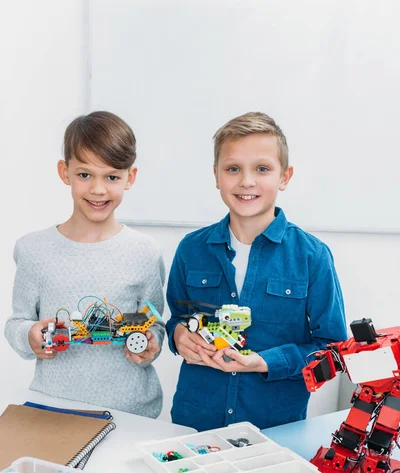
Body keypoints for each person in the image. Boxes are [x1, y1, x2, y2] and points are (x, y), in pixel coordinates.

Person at [166, 111, 347, 431]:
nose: (246, 181)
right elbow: (178, 319)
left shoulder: (312, 257)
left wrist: (266, 362)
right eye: (233, 169)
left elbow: (333, 352)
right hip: (194, 424)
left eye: (262, 169)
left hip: (275, 428)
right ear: (217, 175)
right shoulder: (190, 249)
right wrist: (179, 335)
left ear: (284, 176)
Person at [5, 111, 165, 416]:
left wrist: (149, 343)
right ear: (64, 172)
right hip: (53, 409)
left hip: (132, 412)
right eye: (84, 175)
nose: (98, 189)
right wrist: (30, 335)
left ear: (130, 178)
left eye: (112, 177)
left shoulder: (145, 252)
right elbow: (17, 322)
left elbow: (153, 322)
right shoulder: (32, 249)